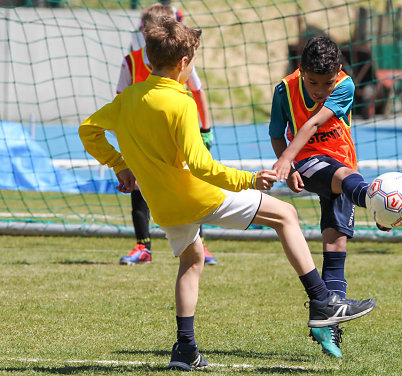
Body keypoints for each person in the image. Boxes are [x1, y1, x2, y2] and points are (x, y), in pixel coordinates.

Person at [79, 17, 377, 370]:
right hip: (199, 196)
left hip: (164, 208)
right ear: (184, 64)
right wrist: (250, 180)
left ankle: (185, 349)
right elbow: (201, 166)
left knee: (191, 263)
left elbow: (88, 130)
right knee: (286, 216)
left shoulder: (128, 99)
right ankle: (322, 300)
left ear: (146, 59)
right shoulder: (180, 102)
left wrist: (119, 165)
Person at [270, 35, 385, 358]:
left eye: (327, 83)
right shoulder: (284, 89)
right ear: (301, 70)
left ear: (339, 71)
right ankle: (376, 201)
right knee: (350, 180)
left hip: (341, 164)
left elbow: (315, 122)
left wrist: (284, 160)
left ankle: (326, 322)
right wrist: (288, 163)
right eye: (313, 82)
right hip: (309, 162)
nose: (320, 90)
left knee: (335, 248)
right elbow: (279, 133)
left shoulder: (346, 86)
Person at [117, 3, 217, 265]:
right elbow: (118, 101)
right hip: (144, 135)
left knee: (191, 182)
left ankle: (200, 244)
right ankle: (143, 246)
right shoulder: (131, 62)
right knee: (139, 183)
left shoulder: (181, 60)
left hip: (178, 131)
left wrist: (205, 130)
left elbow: (198, 92)